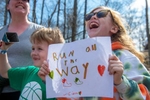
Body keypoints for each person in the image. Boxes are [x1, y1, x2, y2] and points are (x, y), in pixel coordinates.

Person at [38, 6, 150, 100]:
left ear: (114, 28)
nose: (94, 17)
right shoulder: (79, 60)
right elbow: (72, 96)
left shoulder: (125, 57)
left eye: (101, 14)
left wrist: (120, 82)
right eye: (89, 16)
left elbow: (146, 95)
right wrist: (50, 80)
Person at [0, 27, 65, 100]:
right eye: (33, 48)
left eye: (39, 49)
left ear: (55, 52)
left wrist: (48, 82)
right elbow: (5, 72)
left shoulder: (63, 81)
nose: (33, 53)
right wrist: (3, 50)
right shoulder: (30, 71)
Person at [0, 0, 44, 99]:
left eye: (25, 0)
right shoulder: (0, 31)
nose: (20, 1)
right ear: (7, 6)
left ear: (29, 9)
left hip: (30, 91)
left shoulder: (41, 32)